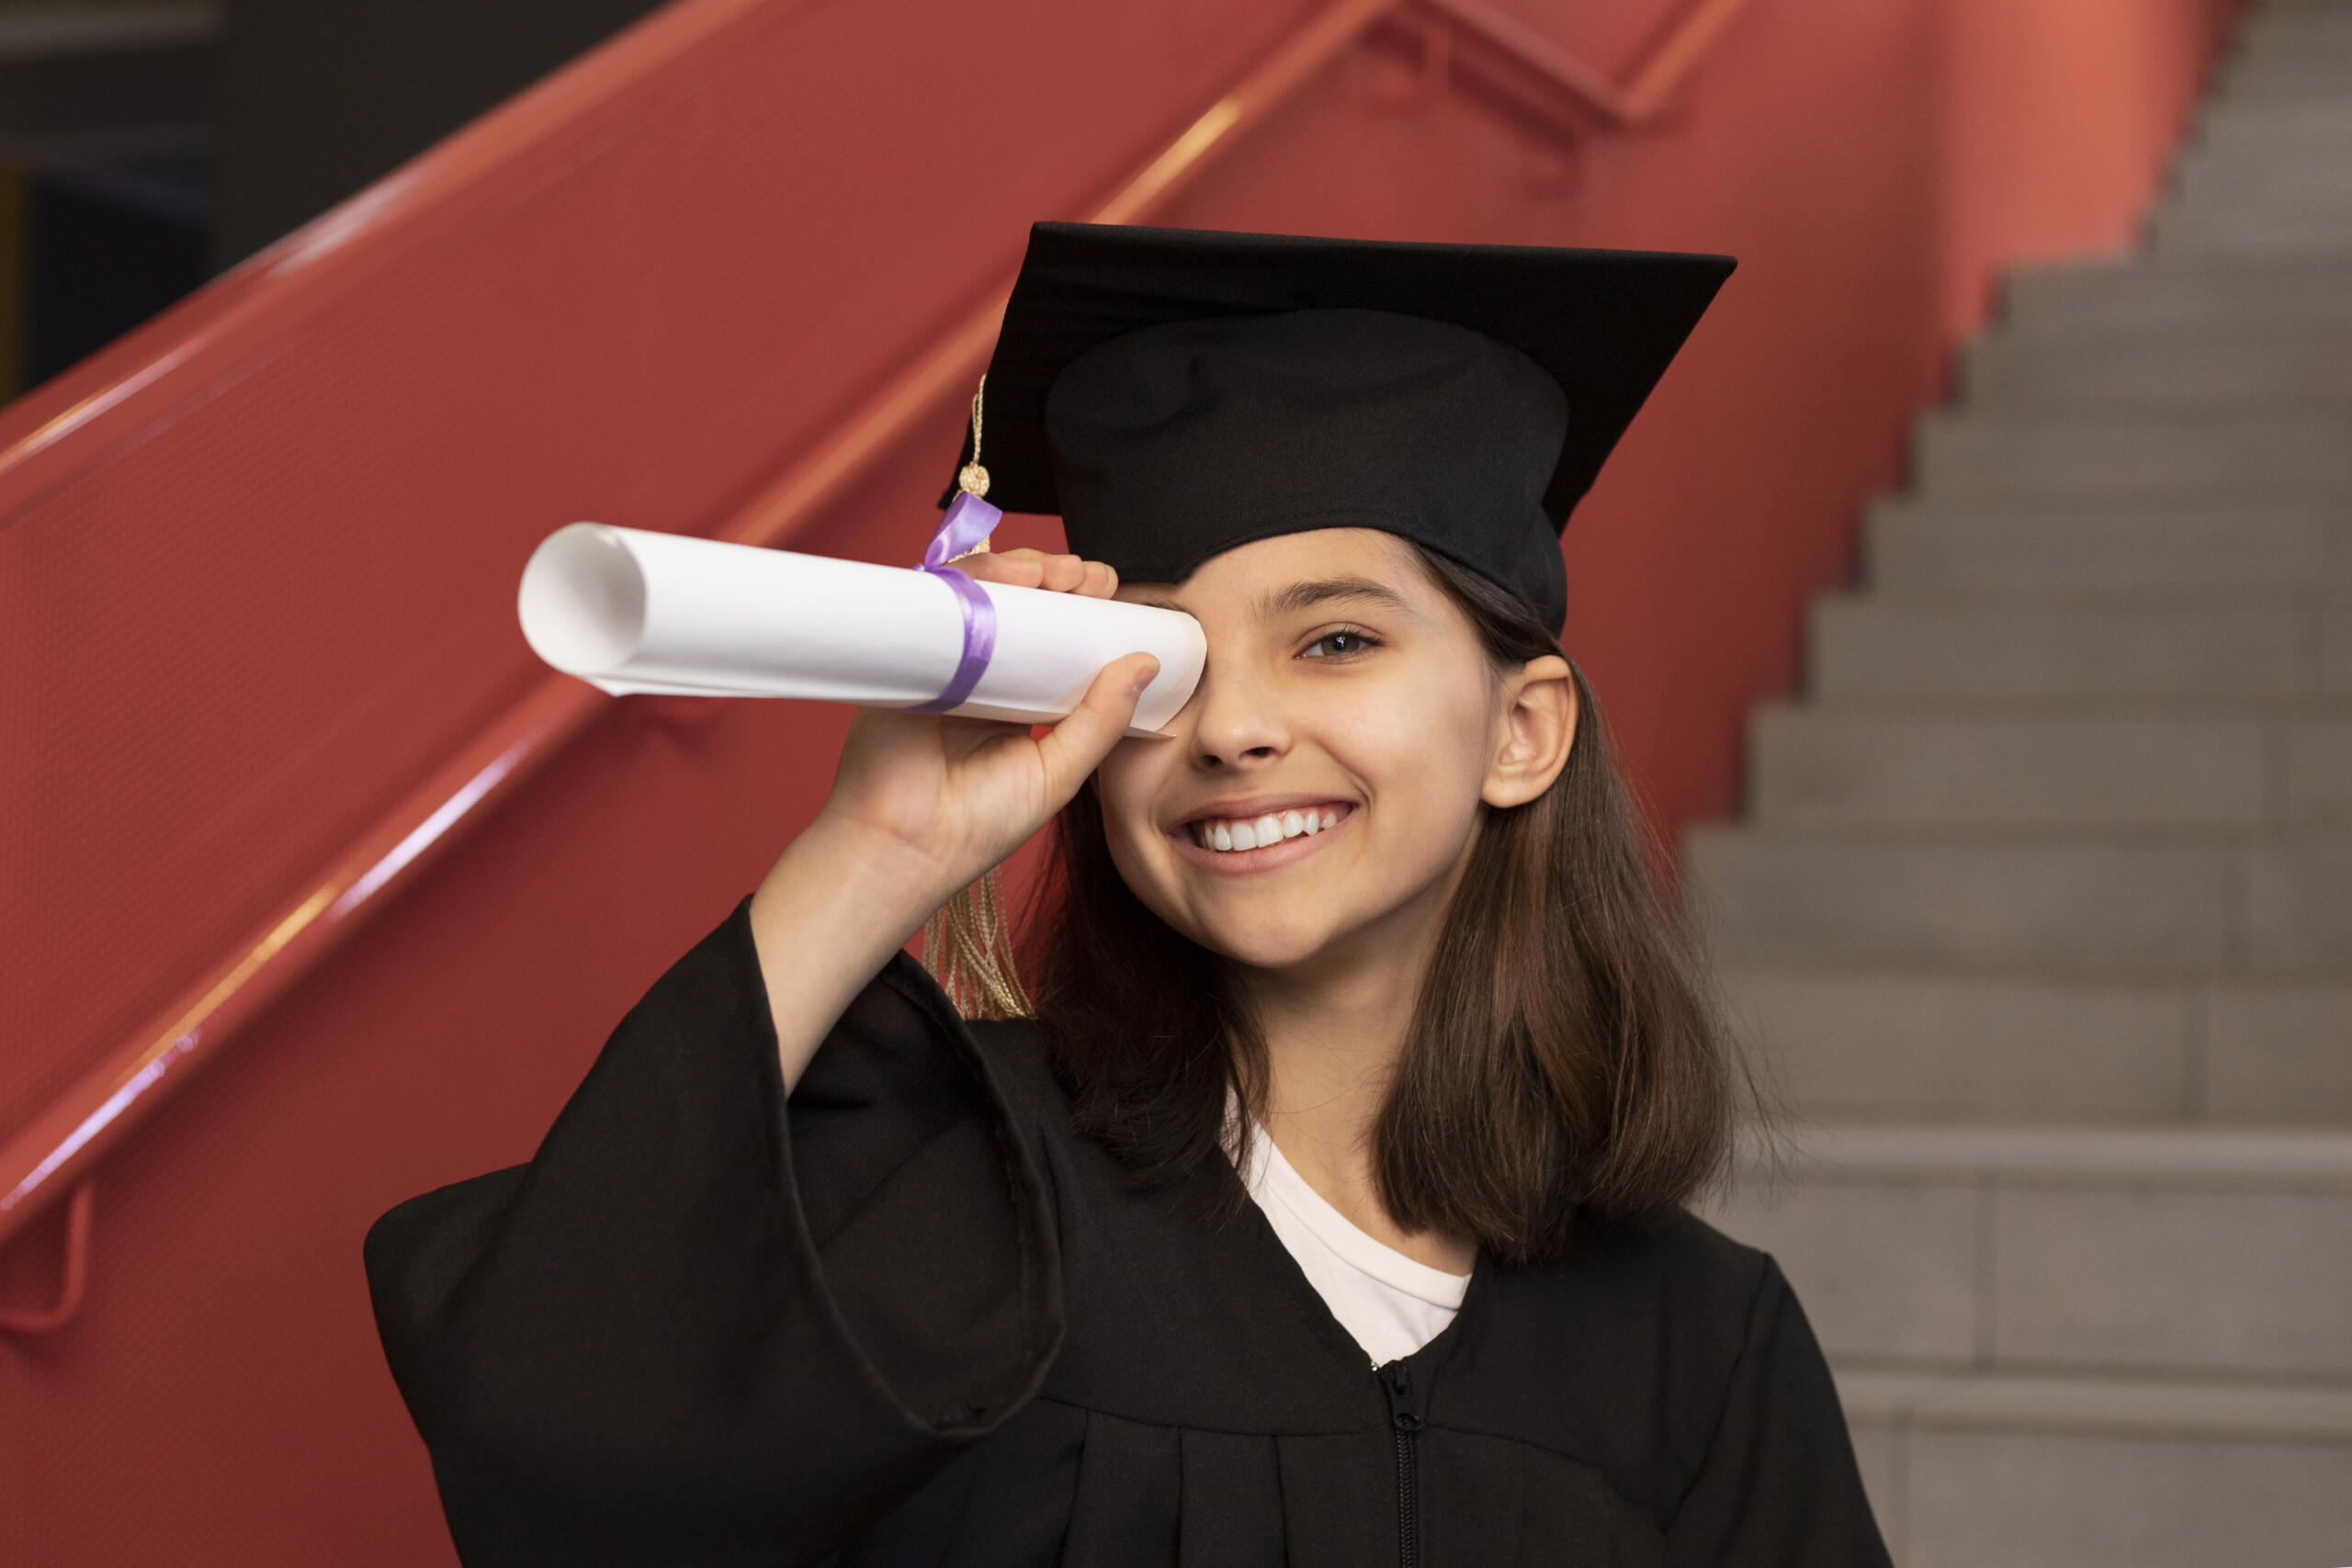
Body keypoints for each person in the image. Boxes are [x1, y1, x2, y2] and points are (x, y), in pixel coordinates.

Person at [366, 221, 1894, 1567]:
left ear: (1520, 731)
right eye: (1166, 663)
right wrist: (875, 852)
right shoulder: (958, 1189)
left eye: (1338, 641)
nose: (1228, 729)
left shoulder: (1695, 1345)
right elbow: (550, 1437)